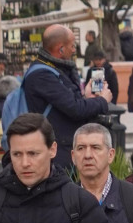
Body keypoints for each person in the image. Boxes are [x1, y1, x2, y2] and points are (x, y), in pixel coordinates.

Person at [21, 24, 112, 168]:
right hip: (57, 155)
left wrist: (86, 97)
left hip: (63, 147)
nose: (75, 50)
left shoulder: (56, 69)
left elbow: (69, 103)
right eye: (72, 45)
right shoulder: (42, 75)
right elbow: (75, 109)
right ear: (61, 49)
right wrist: (102, 100)